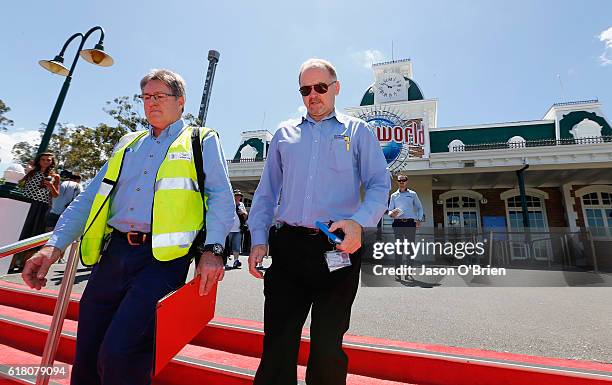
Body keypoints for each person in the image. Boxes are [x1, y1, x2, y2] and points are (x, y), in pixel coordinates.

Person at [21, 68, 235, 385]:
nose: (151, 103)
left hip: (162, 260)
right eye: (146, 97)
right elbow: (90, 197)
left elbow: (220, 196)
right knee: (88, 351)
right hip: (114, 254)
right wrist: (54, 246)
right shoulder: (128, 143)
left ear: (181, 102)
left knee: (122, 353)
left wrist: (214, 249)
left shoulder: (200, 141)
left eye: (159, 96)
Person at [247, 58, 390, 385]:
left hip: (339, 247)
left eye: (321, 87)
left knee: (327, 345)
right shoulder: (284, 134)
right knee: (278, 345)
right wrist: (258, 239)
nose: (313, 95)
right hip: (288, 249)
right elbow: (267, 192)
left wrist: (359, 222)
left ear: (336, 88)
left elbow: (380, 184)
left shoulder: (358, 132)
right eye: (305, 89)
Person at [9, 152, 60, 272]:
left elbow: (56, 195)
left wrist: (50, 186)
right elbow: (21, 184)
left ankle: (24, 264)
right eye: (43, 159)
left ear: (52, 162)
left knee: (34, 234)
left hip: (41, 207)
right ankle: (10, 263)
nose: (46, 162)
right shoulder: (32, 172)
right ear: (39, 160)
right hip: (26, 204)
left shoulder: (55, 176)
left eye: (48, 160)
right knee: (20, 233)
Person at [388, 174, 424, 280]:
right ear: (397, 182)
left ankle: (408, 272)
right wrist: (391, 214)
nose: (402, 182)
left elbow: (419, 208)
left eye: (404, 180)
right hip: (398, 223)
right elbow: (390, 210)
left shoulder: (412, 194)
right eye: (400, 180)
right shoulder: (394, 195)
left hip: (410, 223)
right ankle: (398, 272)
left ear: (407, 181)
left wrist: (419, 219)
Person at [227, 189, 248, 268]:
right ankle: (224, 261)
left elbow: (246, 216)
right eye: (237, 195)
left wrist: (243, 213)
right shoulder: (229, 204)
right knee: (227, 246)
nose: (238, 197)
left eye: (239, 196)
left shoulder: (241, 205)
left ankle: (236, 261)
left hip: (238, 229)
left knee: (236, 246)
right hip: (229, 229)